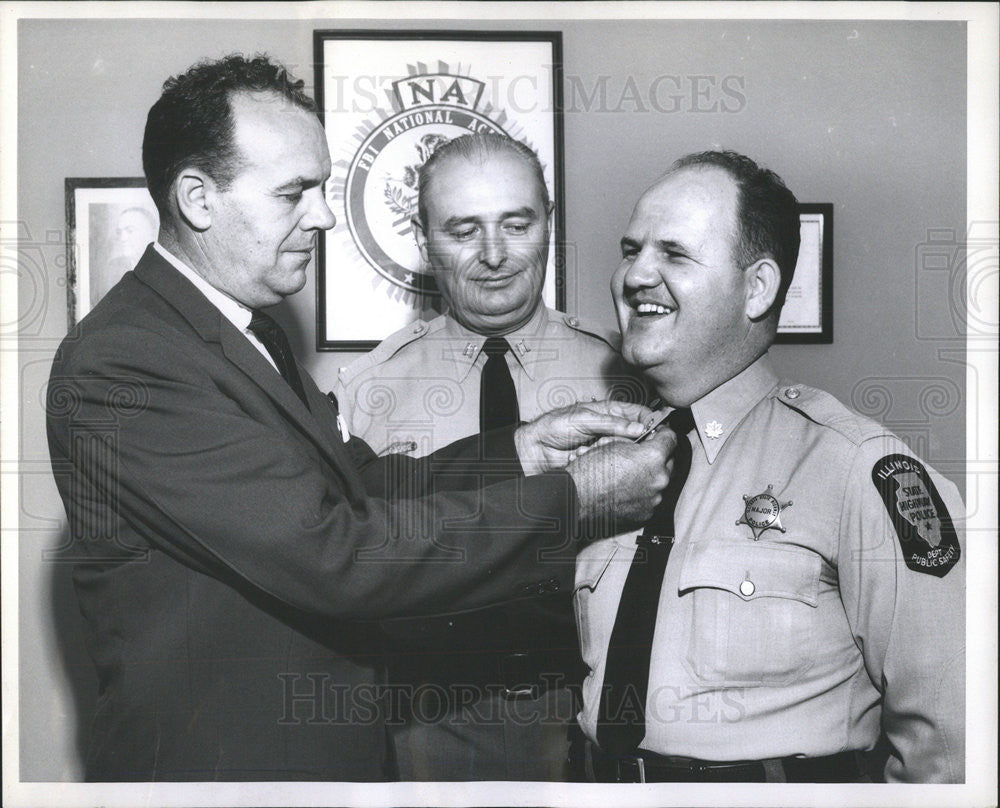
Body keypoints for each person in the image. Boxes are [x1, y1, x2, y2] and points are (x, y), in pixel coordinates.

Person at [45, 55, 676, 782]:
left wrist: (524, 449)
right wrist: (575, 499)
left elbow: (359, 482)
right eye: (294, 194)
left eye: (320, 189)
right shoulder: (127, 360)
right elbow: (335, 554)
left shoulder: (245, 334)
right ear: (197, 197)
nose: (320, 216)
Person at [573, 150, 965, 783]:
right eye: (630, 248)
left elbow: (951, 745)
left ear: (757, 288)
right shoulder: (606, 458)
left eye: (674, 254)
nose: (634, 274)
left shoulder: (858, 468)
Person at [335, 133, 645, 780]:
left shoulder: (628, 377)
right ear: (424, 244)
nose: (495, 256)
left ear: (548, 224)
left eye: (516, 224)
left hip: (593, 717)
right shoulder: (366, 393)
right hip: (427, 724)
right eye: (464, 231)